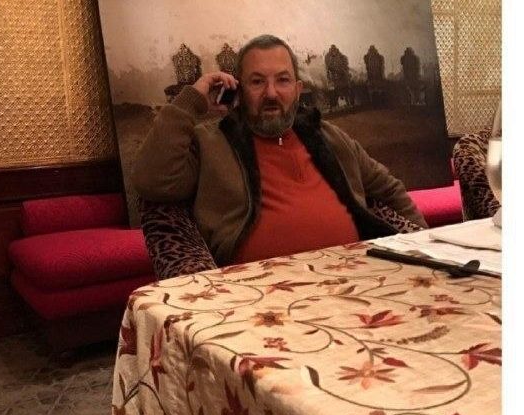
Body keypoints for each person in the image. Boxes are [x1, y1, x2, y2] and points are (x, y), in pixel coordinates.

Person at [132, 34, 427, 266]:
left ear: (297, 90)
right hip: (259, 297)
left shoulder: (329, 137)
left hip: (357, 276)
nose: (271, 93)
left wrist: (427, 251)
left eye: (282, 80)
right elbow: (152, 182)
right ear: (239, 90)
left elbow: (390, 190)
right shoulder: (210, 142)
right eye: (257, 81)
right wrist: (191, 102)